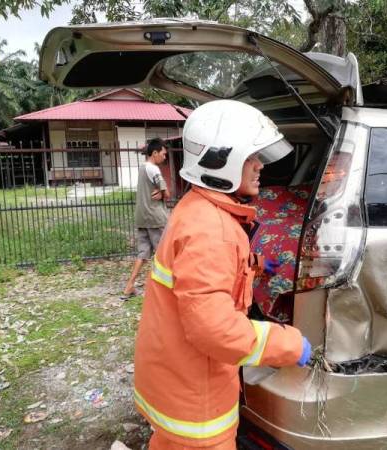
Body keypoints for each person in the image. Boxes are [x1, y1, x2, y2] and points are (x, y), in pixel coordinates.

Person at [134, 100, 312, 450]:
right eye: (251, 157)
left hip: (172, 382)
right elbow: (215, 331)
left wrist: (258, 265)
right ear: (221, 158)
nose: (260, 166)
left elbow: (205, 278)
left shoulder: (199, 208)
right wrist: (289, 343)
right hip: (197, 409)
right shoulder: (212, 229)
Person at [123, 138, 170, 297]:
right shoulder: (154, 170)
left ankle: (129, 286)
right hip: (155, 218)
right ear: (154, 153)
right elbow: (167, 193)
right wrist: (163, 193)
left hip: (142, 217)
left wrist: (161, 193)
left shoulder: (142, 168)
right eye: (163, 154)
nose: (165, 157)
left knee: (143, 254)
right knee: (163, 252)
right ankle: (162, 289)